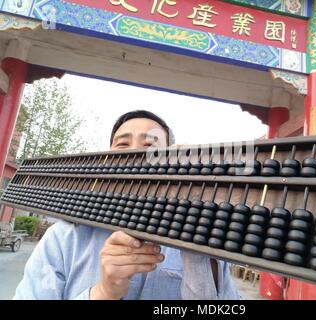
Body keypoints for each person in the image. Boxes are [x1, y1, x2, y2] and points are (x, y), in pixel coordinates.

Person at [14, 110, 241, 300]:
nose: (135, 152)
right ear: (108, 158)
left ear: (172, 159)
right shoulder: (64, 238)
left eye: (151, 146)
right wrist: (102, 292)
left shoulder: (204, 240)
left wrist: (196, 254)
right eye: (123, 144)